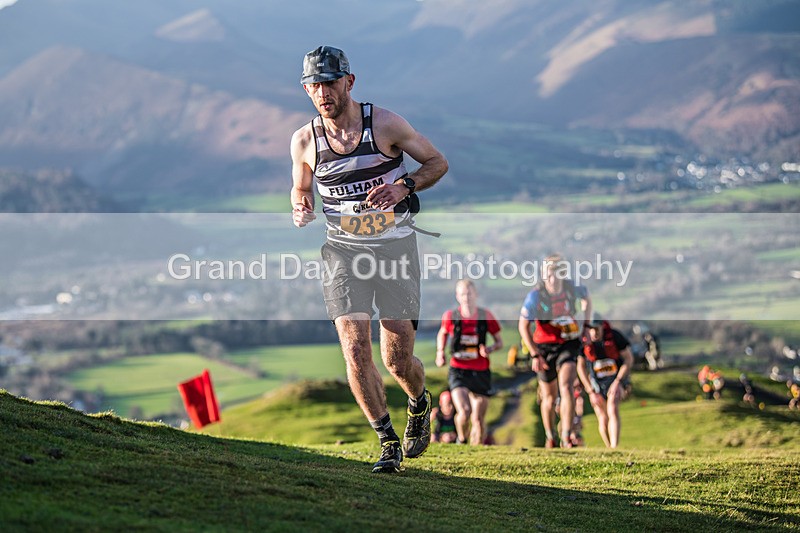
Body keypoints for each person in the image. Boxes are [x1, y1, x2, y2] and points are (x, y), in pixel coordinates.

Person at [290, 45, 449, 473]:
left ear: (349, 81)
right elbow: (301, 186)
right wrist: (301, 205)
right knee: (355, 348)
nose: (323, 92)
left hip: (395, 251)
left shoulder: (384, 125)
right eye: (314, 85)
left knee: (397, 358)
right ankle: (386, 441)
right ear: (306, 90)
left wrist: (405, 187)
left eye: (329, 82)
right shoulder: (304, 140)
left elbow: (437, 162)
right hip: (342, 254)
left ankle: (418, 400)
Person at [519, 254, 591, 448]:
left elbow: (587, 299)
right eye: (549, 273)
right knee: (549, 398)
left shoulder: (571, 288)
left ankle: (566, 436)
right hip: (543, 348)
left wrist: (585, 324)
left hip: (567, 343)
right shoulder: (536, 296)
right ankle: (551, 436)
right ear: (543, 274)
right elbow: (523, 327)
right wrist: (534, 354)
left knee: (566, 386)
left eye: (557, 273)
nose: (552, 278)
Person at [436, 280, 503, 445]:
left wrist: (489, 349)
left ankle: (477, 450)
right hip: (459, 370)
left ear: (476, 295)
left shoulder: (485, 316)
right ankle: (462, 440)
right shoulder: (450, 316)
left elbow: (499, 342)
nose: (466, 297)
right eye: (463, 294)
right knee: (464, 411)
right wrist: (440, 353)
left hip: (481, 370)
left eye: (469, 294)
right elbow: (443, 333)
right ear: (457, 296)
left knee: (478, 418)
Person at [576, 318, 634, 449]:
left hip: (616, 380)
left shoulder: (615, 337)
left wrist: (619, 381)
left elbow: (628, 359)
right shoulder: (584, 342)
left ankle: (614, 446)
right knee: (602, 417)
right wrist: (590, 391)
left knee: (612, 407)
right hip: (596, 385)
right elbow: (580, 367)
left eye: (597, 329)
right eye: (591, 329)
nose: (594, 332)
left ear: (602, 327)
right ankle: (609, 448)